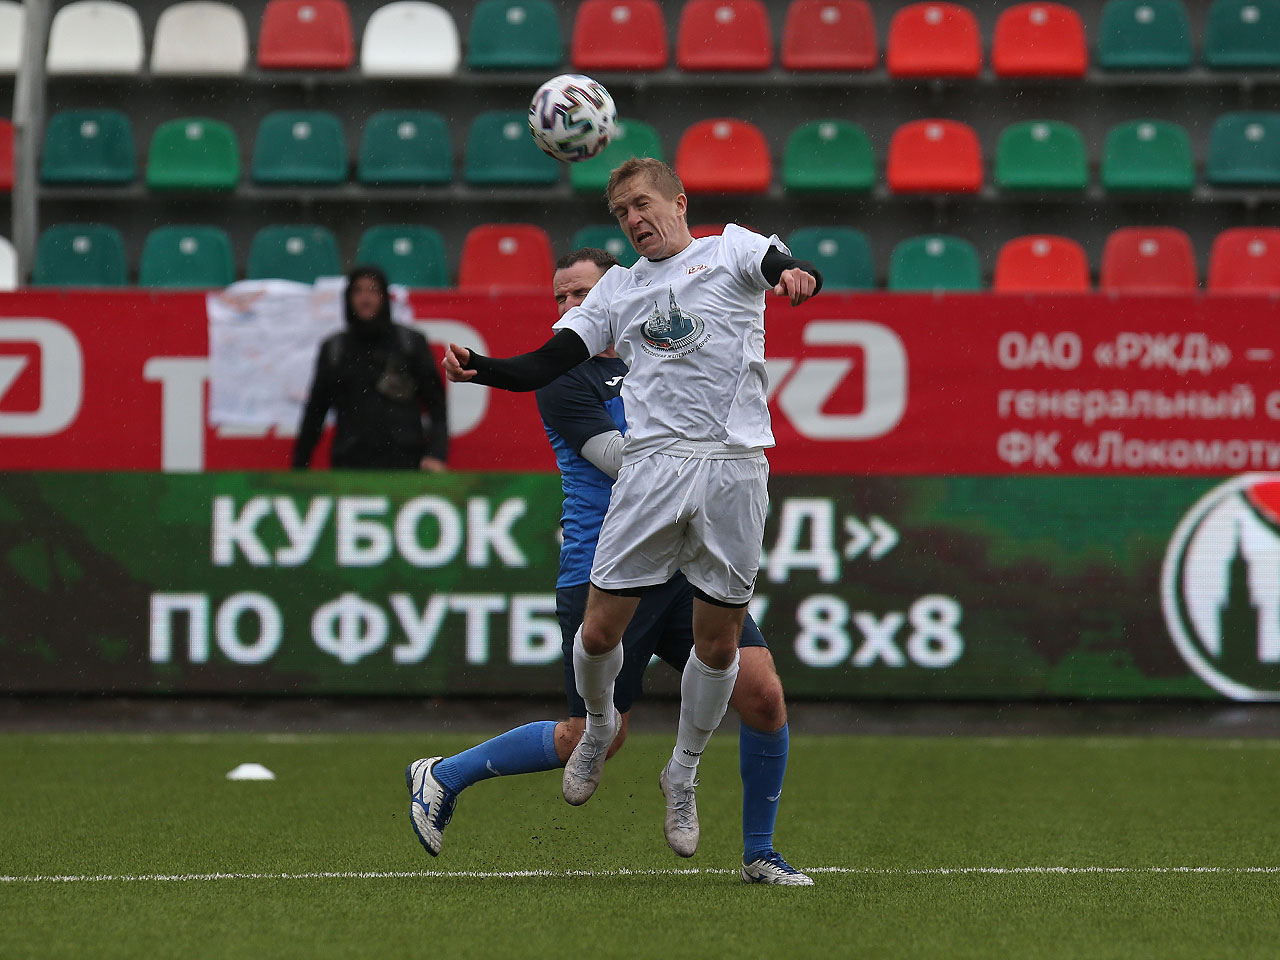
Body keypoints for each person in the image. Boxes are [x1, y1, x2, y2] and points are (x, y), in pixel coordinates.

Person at [442, 158, 822, 859]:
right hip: (652, 470)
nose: (634, 219)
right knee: (597, 634)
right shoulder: (619, 288)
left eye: (643, 204)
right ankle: (595, 728)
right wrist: (483, 369)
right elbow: (547, 361)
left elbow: (784, 265)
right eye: (621, 213)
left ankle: (683, 771)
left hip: (735, 471)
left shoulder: (731, 249)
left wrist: (798, 276)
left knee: (720, 647)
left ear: (679, 202)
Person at [293, 265, 449, 471]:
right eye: (358, 291)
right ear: (348, 298)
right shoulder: (334, 349)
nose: (365, 298)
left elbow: (436, 404)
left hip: (405, 462)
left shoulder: (410, 343)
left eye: (373, 290)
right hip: (350, 462)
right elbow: (316, 412)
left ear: (384, 297)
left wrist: (436, 453)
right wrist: (299, 466)